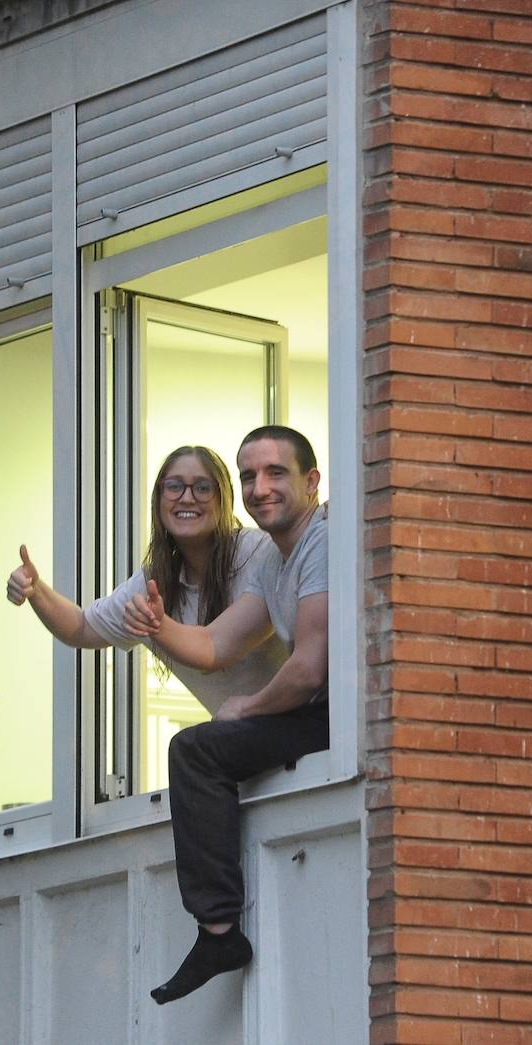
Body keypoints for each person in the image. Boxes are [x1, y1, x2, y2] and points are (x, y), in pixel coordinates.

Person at [124, 425, 329, 1005]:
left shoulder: (323, 538)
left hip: (350, 717)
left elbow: (312, 670)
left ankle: (218, 933)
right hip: (318, 713)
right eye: (248, 477)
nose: (259, 487)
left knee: (197, 751)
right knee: (201, 746)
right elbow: (216, 647)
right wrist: (155, 621)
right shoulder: (274, 561)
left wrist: (248, 707)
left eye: (275, 473)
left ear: (312, 482)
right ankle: (216, 934)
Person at [6, 443, 287, 719]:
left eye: (202, 488)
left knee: (188, 748)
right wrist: (36, 589)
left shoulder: (257, 552)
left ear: (223, 497)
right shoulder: (156, 581)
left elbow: (211, 647)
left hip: (302, 727)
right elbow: (81, 628)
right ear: (159, 499)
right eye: (174, 486)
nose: (187, 498)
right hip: (243, 737)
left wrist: (326, 515)